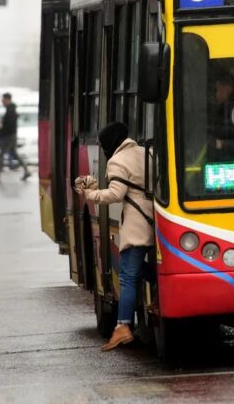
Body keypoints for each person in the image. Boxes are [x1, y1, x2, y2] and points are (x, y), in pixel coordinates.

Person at [75, 122, 154, 352]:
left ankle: (123, 327)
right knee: (136, 269)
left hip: (137, 224)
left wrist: (90, 194)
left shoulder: (118, 160)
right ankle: (160, 285)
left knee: (128, 277)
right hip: (153, 219)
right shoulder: (144, 152)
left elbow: (116, 194)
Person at [0, 92, 30, 181]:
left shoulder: (10, 110)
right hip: (12, 135)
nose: (2, 102)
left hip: (9, 136)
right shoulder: (11, 109)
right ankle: (27, 171)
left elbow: (8, 125)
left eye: (3, 100)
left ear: (7, 99)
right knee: (14, 153)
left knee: (1, 155)